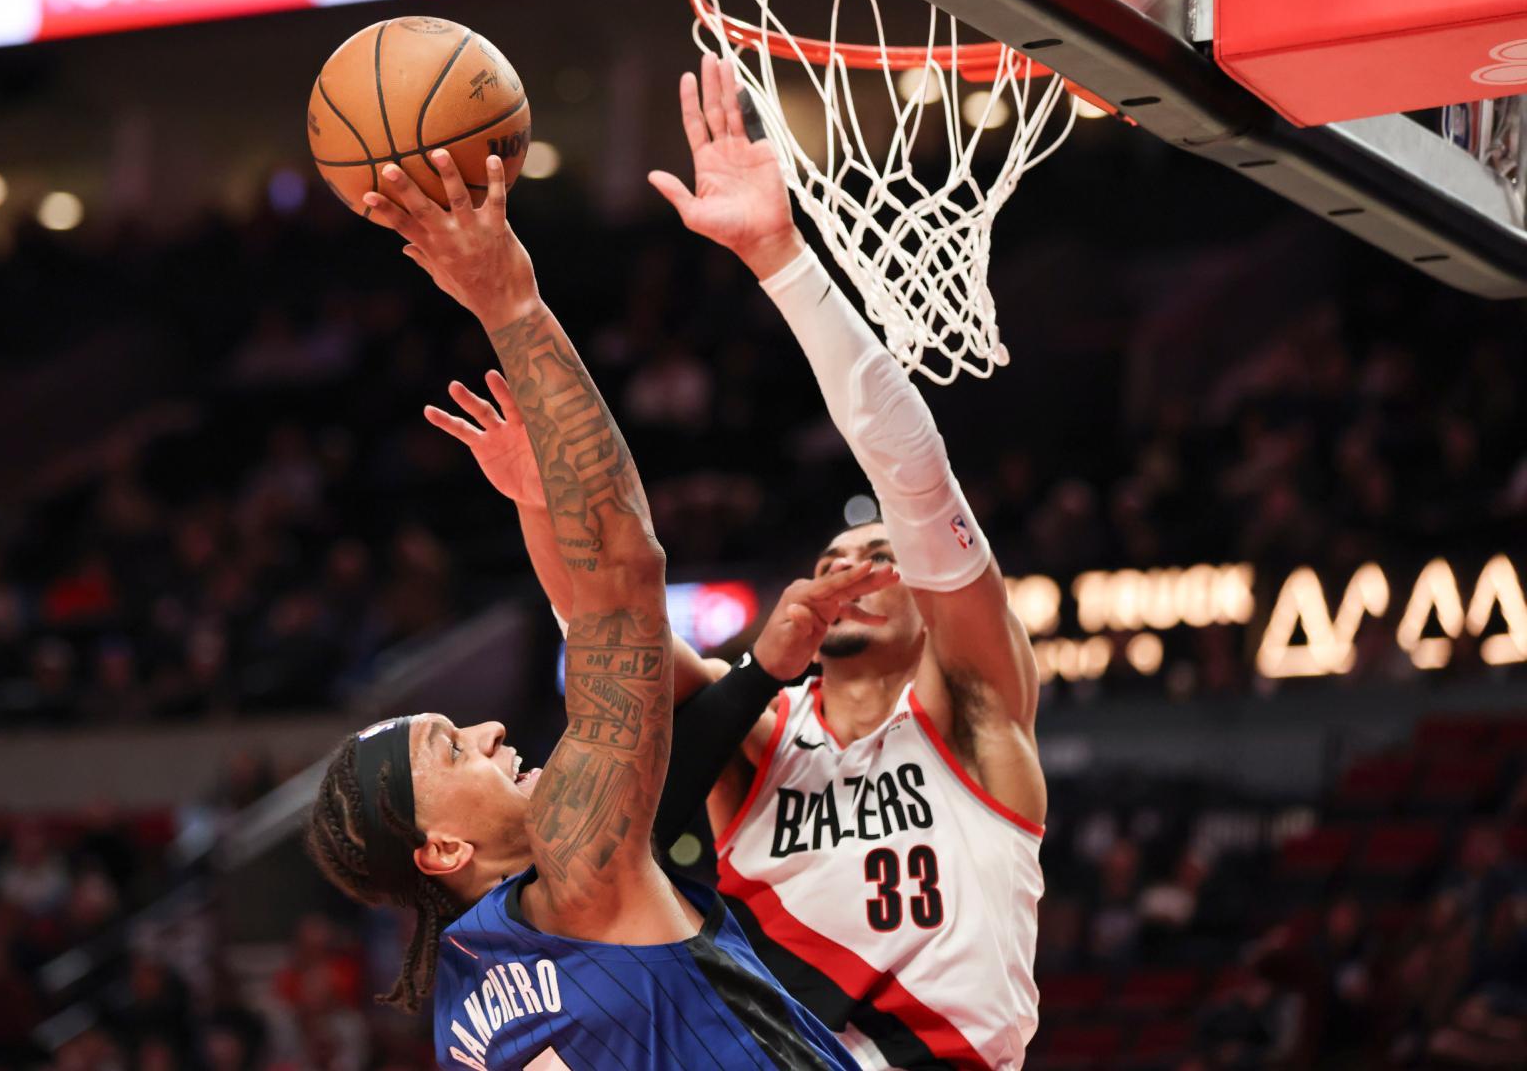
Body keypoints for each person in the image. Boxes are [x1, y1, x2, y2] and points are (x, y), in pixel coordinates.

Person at [432, 53, 1042, 1070]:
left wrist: (783, 261)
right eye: (840, 551)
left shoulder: (974, 710)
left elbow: (916, 476)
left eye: (885, 553)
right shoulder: (754, 739)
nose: (862, 563)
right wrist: (540, 506)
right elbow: (606, 631)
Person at [303, 148, 874, 1070]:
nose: (490, 729)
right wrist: (509, 302)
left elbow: (621, 639)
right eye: (452, 748)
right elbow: (625, 572)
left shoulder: (470, 999)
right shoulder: (577, 878)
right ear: (443, 849)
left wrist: (540, 504)